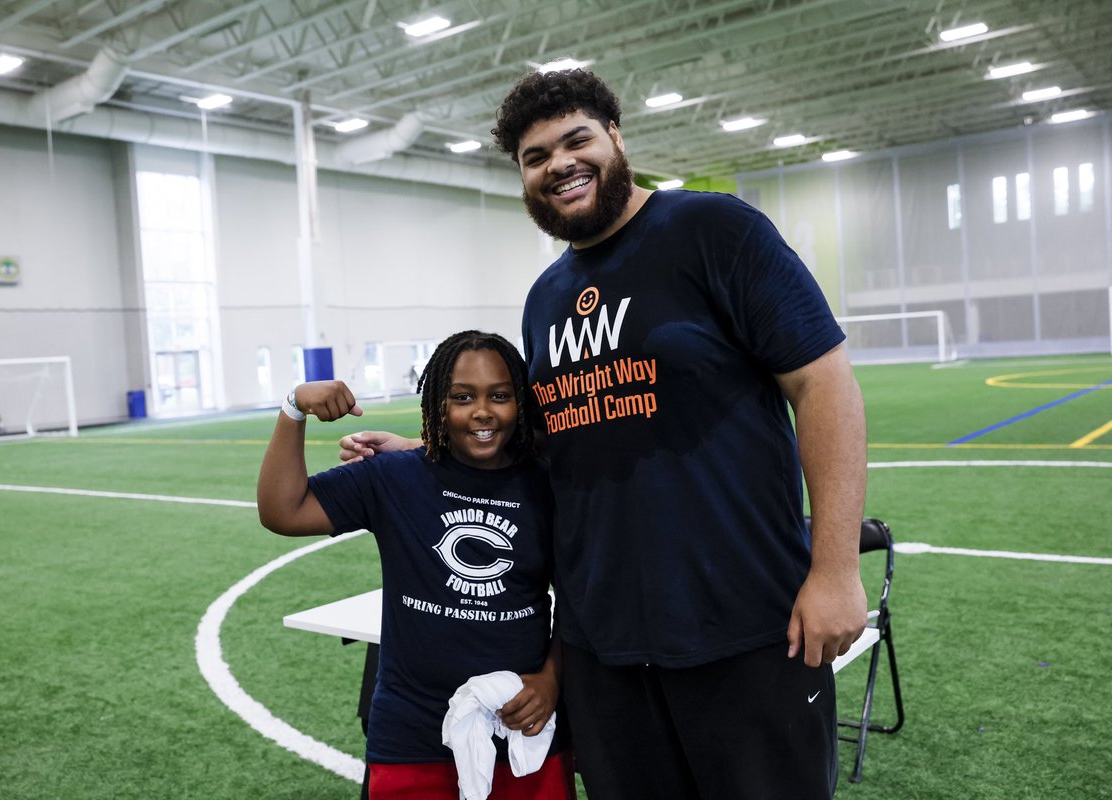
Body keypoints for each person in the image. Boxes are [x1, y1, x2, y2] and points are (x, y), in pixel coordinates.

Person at [341, 69, 868, 799]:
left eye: (576, 139)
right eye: (535, 156)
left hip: (744, 627)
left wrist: (836, 570)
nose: (558, 164)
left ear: (616, 138)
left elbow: (825, 383)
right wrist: (434, 456)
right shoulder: (546, 299)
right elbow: (550, 451)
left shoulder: (714, 230)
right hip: (603, 650)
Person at [257, 330, 574, 800]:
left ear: (521, 403)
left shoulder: (547, 485)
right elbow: (283, 511)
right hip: (411, 729)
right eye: (462, 397)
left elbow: (578, 598)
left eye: (500, 396)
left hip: (523, 718)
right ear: (438, 406)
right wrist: (293, 407)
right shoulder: (396, 477)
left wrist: (551, 679)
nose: (482, 411)